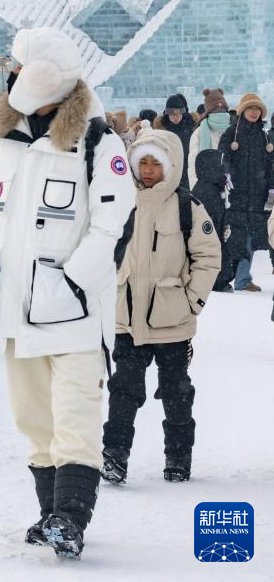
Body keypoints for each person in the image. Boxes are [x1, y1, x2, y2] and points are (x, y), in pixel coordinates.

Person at [0, 27, 136, 559]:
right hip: (15, 308)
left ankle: (70, 518)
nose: (10, 75)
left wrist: (71, 284)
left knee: (75, 415)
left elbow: (112, 223)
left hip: (74, 315)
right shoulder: (5, 140)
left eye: (17, 67)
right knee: (33, 417)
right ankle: (50, 515)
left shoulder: (96, 140)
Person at [101, 130, 220, 486]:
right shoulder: (120, 203)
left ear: (171, 167)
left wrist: (191, 302)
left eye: (156, 164)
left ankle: (178, 458)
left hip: (172, 322)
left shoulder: (188, 207)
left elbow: (208, 256)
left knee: (176, 391)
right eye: (144, 163)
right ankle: (114, 455)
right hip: (125, 319)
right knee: (124, 389)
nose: (149, 170)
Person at [217, 93, 274, 292]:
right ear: (243, 111)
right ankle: (226, 276)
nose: (254, 112)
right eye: (251, 108)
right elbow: (222, 157)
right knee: (234, 236)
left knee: (250, 236)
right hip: (236, 193)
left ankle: (242, 278)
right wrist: (227, 175)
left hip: (257, 195)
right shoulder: (232, 133)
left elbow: (269, 165)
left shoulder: (263, 135)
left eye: (257, 109)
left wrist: (270, 187)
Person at [192, 149, 239, 292]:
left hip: (214, 236)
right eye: (220, 166)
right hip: (209, 238)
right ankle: (217, 281)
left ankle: (219, 279)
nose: (224, 170)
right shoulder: (206, 189)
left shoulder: (214, 186)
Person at [154, 94, 198, 189]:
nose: (175, 117)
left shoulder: (191, 126)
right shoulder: (162, 129)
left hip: (187, 169)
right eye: (172, 115)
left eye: (178, 114)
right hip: (168, 171)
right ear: (167, 114)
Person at [188, 88, 230, 187]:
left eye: (221, 108)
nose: (219, 111)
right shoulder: (235, 129)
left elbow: (194, 165)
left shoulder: (199, 132)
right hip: (232, 189)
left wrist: (197, 189)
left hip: (209, 190)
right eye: (216, 109)